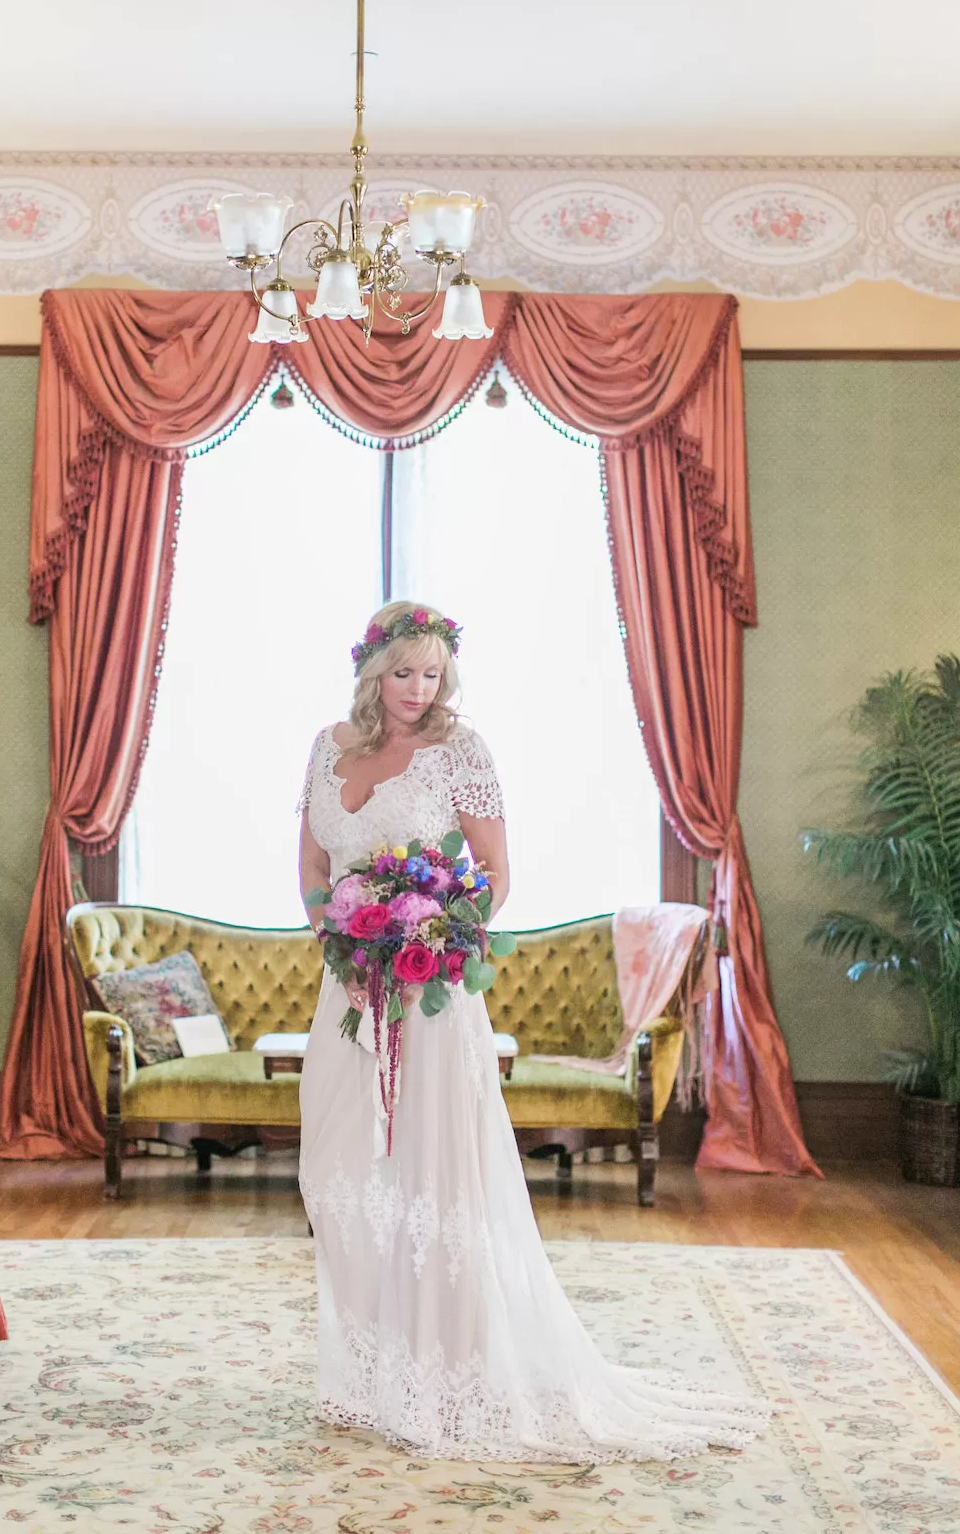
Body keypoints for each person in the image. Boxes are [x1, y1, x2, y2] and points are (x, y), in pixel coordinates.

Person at [297, 600, 772, 1461]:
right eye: (403, 672)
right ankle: (369, 1366)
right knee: (334, 1171)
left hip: (431, 996)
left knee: (435, 1177)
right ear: (372, 672)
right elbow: (312, 867)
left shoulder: (462, 751)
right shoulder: (326, 748)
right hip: (348, 993)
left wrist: (434, 932)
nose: (419, 688)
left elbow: (494, 874)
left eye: (433, 673)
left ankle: (446, 1372)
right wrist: (342, 937)